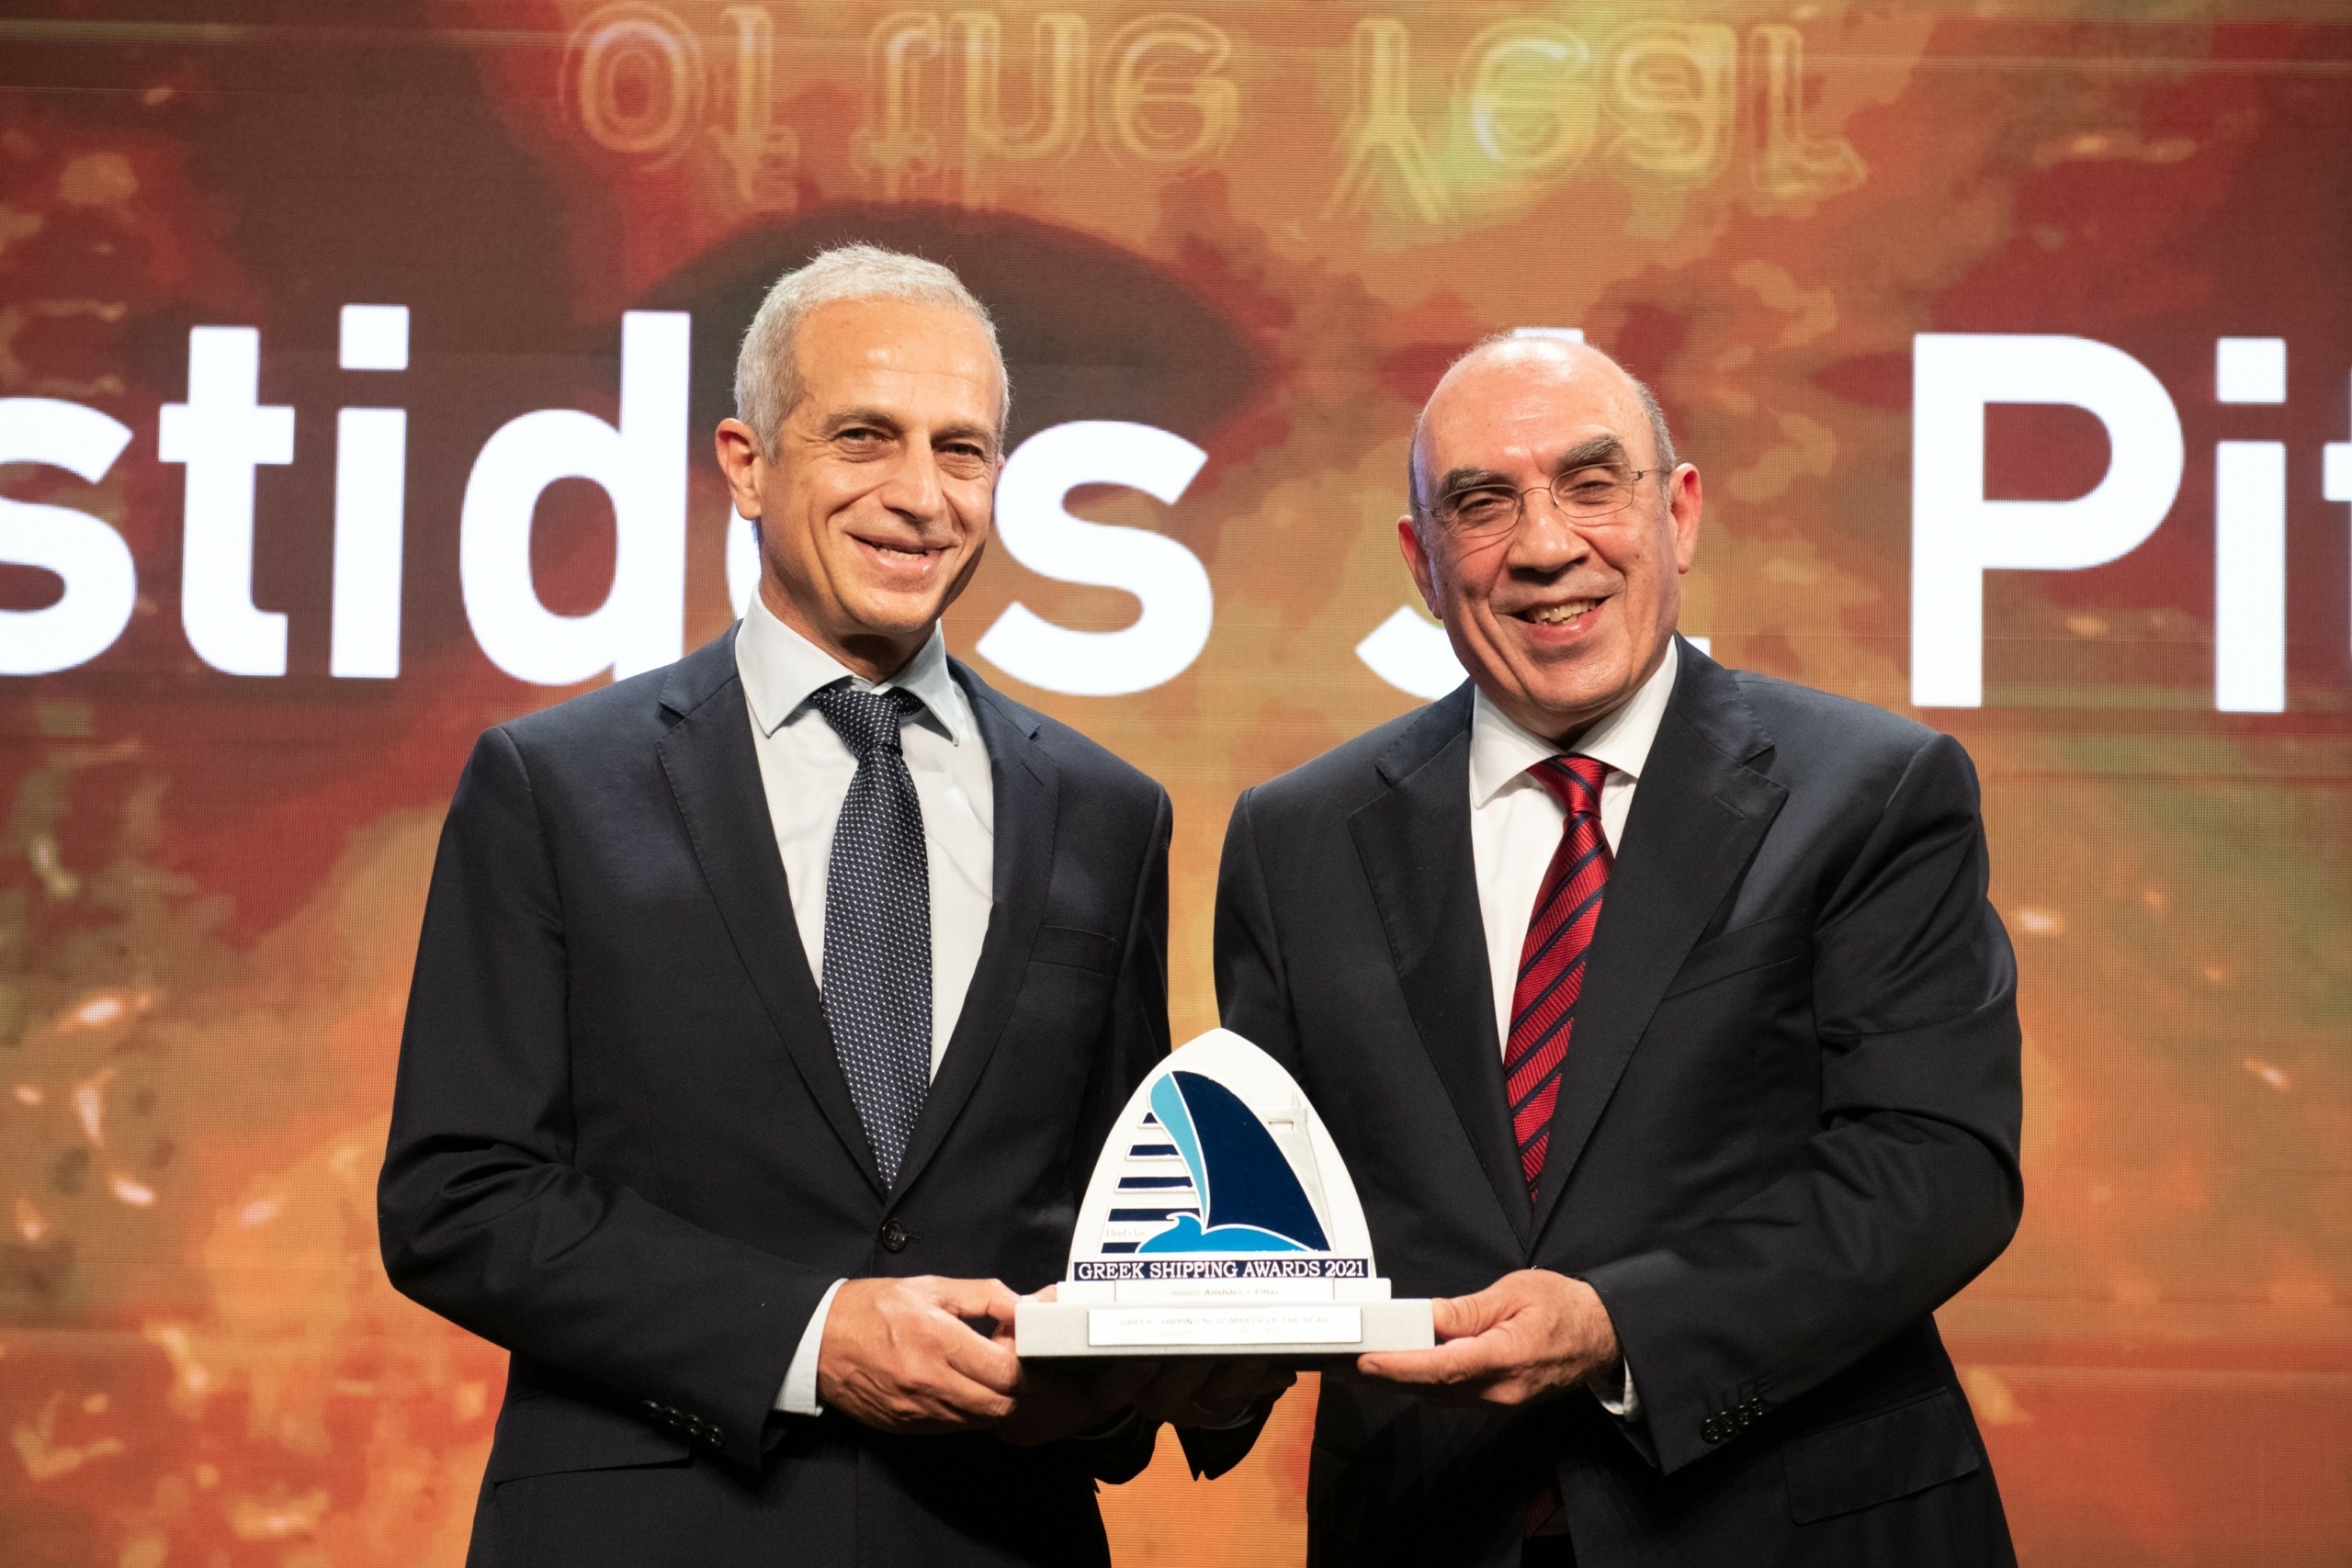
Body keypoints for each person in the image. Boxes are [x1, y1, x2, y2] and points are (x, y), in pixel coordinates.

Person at [380, 244, 1270, 1568]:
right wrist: (808, 1336)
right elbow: (459, 1196)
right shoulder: (554, 786)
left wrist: (1162, 1371)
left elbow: (1112, 1214)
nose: (920, 495)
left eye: (962, 451)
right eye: (864, 437)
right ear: (745, 463)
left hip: (993, 1536)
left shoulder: (1108, 811)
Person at [1214, 333, 2024, 1566]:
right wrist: (1144, 1352)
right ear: (1422, 562)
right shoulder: (1296, 838)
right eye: (1482, 505)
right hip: (1430, 1533)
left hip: (1788, 1531)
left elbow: (1936, 1166)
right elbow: (1270, 1212)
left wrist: (1618, 1326)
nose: (1546, 546)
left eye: (1592, 485)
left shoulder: (1875, 792)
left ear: (1678, 513)